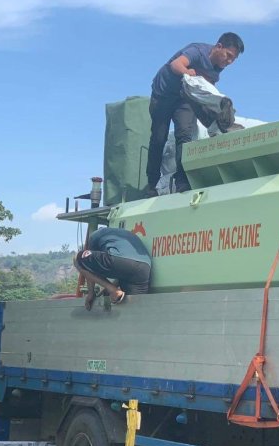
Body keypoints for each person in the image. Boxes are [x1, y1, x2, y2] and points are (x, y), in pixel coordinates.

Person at [145, 32, 244, 196]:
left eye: (233, 59)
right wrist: (186, 71)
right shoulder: (197, 51)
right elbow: (176, 64)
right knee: (158, 138)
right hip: (163, 95)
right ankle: (151, 184)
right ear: (219, 46)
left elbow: (205, 88)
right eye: (228, 55)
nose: (229, 62)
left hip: (184, 98)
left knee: (184, 135)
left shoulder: (217, 68)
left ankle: (182, 181)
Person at [73, 227, 152, 309]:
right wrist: (109, 287)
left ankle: (112, 290)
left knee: (77, 258)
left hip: (121, 261)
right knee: (135, 308)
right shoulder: (124, 235)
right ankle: (112, 290)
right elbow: (127, 269)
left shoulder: (95, 235)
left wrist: (91, 292)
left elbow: (89, 267)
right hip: (144, 268)